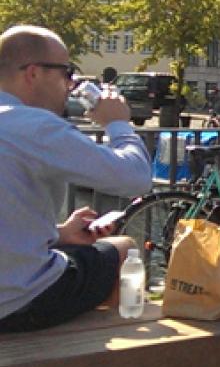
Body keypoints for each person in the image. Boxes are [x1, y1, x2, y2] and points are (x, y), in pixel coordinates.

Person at [0, 25, 151, 332]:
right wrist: (118, 123)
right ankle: (103, 361)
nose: (70, 85)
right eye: (66, 72)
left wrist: (57, 234)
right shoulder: (34, 125)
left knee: (78, 255)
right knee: (123, 249)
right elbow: (136, 178)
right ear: (33, 73)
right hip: (15, 305)